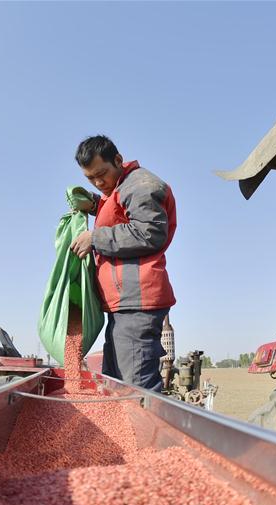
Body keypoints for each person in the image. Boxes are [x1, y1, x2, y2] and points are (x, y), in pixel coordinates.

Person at [68, 135, 176, 392]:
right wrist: (95, 204)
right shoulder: (119, 188)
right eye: (90, 178)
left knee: (134, 390)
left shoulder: (140, 185)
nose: (98, 182)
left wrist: (95, 237)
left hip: (137, 303)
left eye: (101, 174)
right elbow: (119, 214)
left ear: (118, 160)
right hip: (124, 305)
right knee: (115, 385)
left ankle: (144, 421)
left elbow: (149, 232)